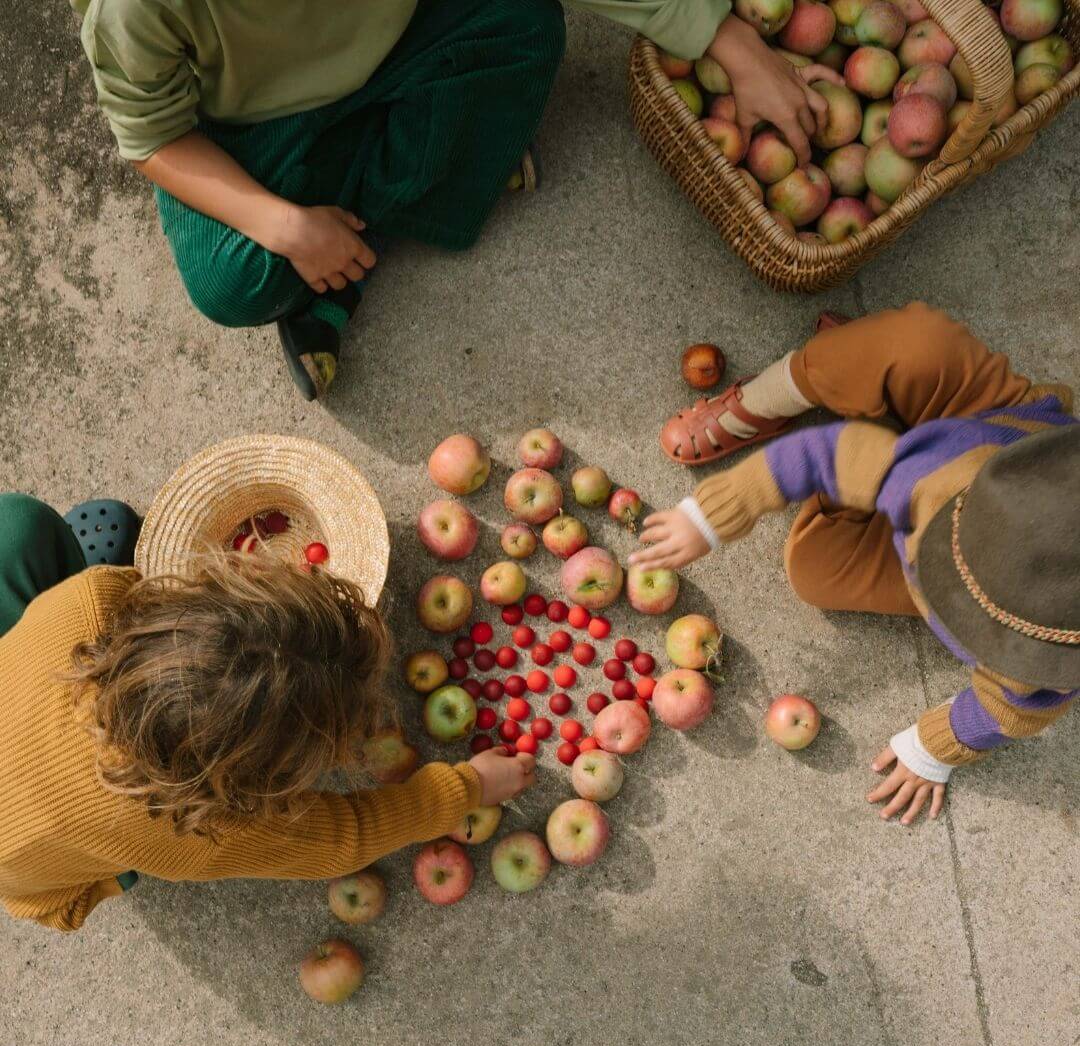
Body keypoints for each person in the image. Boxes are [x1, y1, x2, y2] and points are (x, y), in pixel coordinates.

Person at [71, 0, 838, 400]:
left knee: (524, 25)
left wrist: (733, 44)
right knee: (228, 280)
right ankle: (417, 185)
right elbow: (154, 136)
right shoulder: (135, 8)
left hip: (401, 35)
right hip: (252, 119)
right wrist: (285, 224)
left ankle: (364, 227)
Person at [0, 495, 534, 932]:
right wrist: (463, 790)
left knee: (16, 529)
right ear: (256, 782)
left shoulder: (90, 602)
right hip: (32, 868)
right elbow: (345, 837)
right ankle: (104, 872)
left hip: (26, 685)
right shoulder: (190, 831)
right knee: (119, 849)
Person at [632, 304, 1079, 824]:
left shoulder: (1048, 667)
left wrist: (931, 749)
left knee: (815, 569)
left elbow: (1011, 710)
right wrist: (713, 514)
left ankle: (863, 400)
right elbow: (833, 453)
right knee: (912, 345)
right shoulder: (941, 477)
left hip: (948, 539)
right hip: (992, 433)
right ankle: (782, 391)